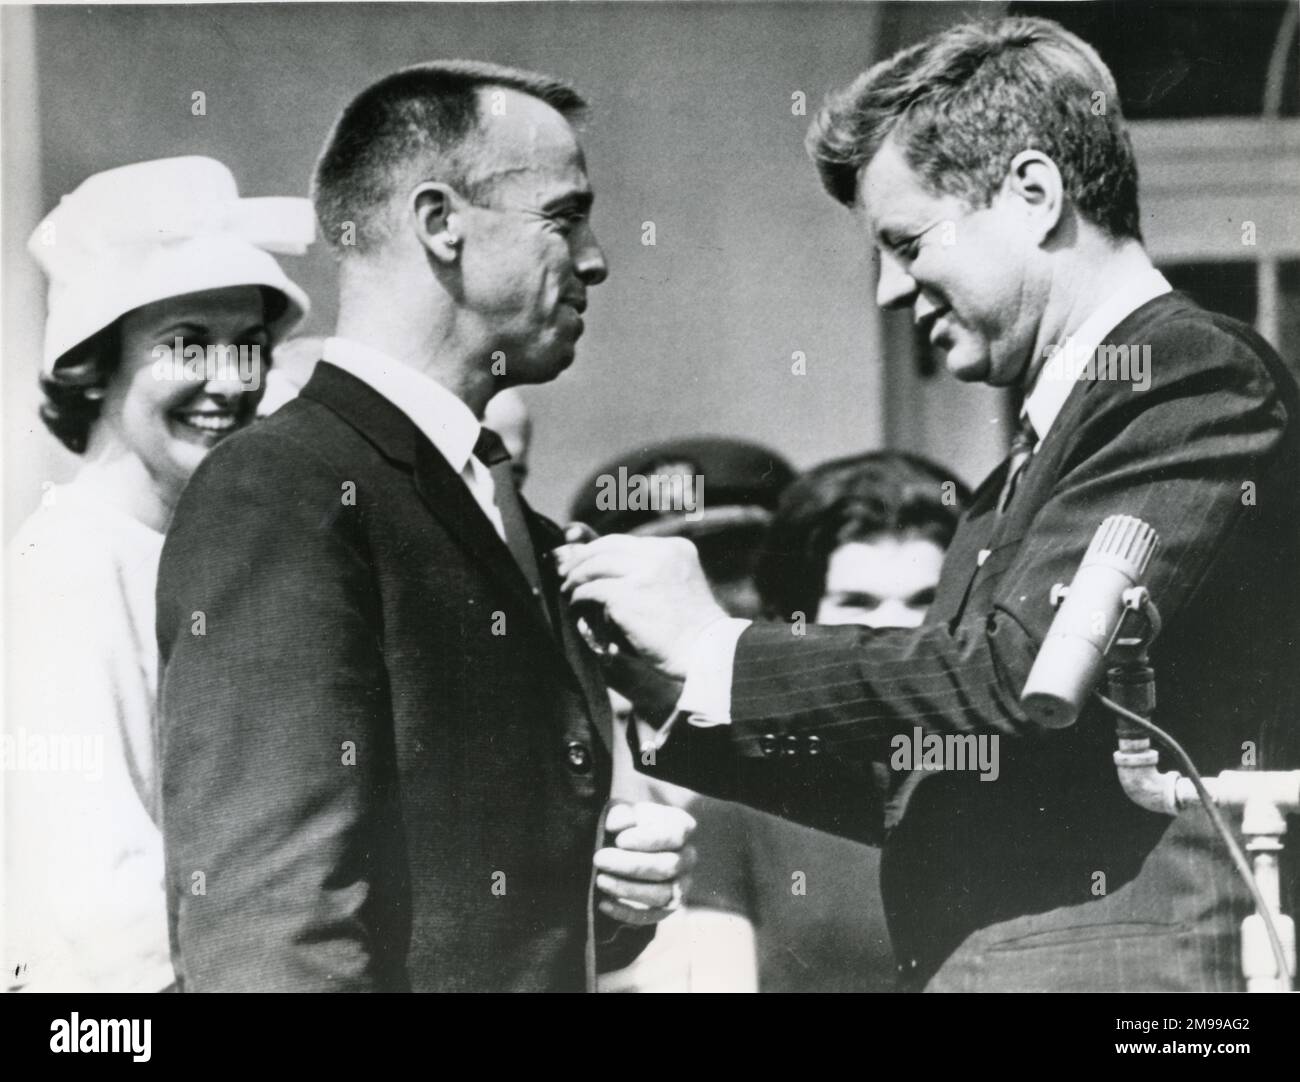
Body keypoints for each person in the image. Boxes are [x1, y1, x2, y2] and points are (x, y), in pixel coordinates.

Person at [558, 16, 1300, 992]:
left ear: (1034, 194)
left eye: (905, 243)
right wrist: (681, 695)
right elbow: (948, 763)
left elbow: (1015, 678)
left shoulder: (1184, 376)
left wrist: (716, 645)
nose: (887, 289)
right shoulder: (1051, 439)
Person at [154, 61, 693, 992]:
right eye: (563, 217)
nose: (596, 257)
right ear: (440, 223)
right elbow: (274, 932)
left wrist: (609, 901)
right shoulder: (282, 490)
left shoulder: (494, 504)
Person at [5, 155, 312, 991]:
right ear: (95, 366)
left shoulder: (217, 558)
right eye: (186, 346)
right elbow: (99, 900)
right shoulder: (68, 565)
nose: (230, 383)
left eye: (249, 349)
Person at [569, 437, 796, 992]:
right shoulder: (569, 767)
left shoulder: (824, 758)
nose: (699, 601)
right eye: (654, 582)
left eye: (731, 568)